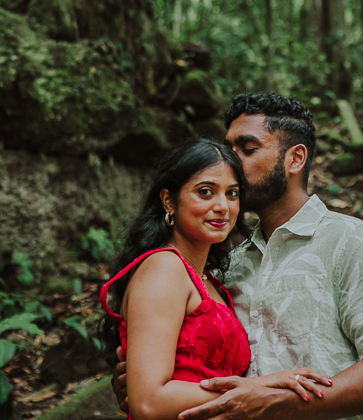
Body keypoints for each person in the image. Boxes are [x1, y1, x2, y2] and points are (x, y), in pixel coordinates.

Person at [112, 94, 363, 420]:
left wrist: (275, 399)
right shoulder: (227, 267)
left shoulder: (352, 243)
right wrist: (149, 382)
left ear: (295, 159)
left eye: (247, 148)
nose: (230, 160)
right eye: (229, 147)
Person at [101, 137, 330, 420]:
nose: (222, 205)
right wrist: (261, 388)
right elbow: (149, 402)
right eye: (206, 191)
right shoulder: (164, 268)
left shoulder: (209, 279)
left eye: (232, 193)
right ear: (169, 200)